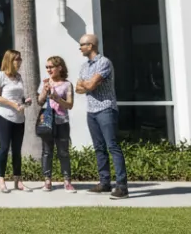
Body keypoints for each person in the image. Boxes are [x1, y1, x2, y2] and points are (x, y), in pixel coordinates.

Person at [76, 34, 128, 199]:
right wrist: (88, 84)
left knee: (112, 146)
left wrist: (88, 84)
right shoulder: (84, 66)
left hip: (106, 109)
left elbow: (89, 85)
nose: (80, 48)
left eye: (82, 45)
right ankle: (105, 183)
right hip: (91, 111)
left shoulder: (104, 62)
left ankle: (122, 186)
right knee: (99, 148)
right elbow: (78, 88)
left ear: (90, 46)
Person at [0, 49, 33, 193]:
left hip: (19, 117)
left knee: (17, 150)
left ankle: (18, 181)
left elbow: (19, 97)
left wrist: (24, 101)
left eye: (20, 59)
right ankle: (1, 181)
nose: (19, 62)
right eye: (17, 59)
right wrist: (13, 104)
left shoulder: (19, 77)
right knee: (4, 148)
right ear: (9, 60)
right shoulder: (0, 76)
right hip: (4, 116)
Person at [37, 55, 75, 192]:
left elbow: (70, 105)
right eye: (47, 67)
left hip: (62, 121)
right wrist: (44, 91)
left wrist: (58, 98)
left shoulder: (67, 84)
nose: (48, 69)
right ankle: (47, 181)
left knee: (63, 152)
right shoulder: (45, 83)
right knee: (47, 152)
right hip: (48, 122)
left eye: (51, 67)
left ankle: (67, 181)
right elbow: (40, 102)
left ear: (59, 67)